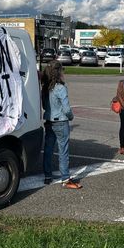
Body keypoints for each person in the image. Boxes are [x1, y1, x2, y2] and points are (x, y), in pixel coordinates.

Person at [42, 60, 82, 189]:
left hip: (49, 120)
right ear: (59, 72)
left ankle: (47, 175)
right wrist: (70, 117)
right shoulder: (60, 87)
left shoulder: (45, 87)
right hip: (61, 121)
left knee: (48, 149)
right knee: (63, 150)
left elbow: (44, 105)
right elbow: (66, 108)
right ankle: (65, 177)